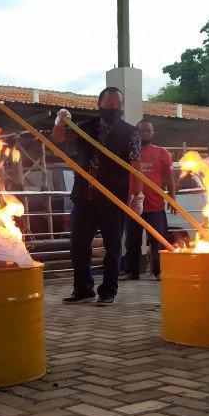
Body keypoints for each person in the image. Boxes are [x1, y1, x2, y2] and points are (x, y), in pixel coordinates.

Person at [52, 87, 143, 306]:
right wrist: (60, 120)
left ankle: (108, 291)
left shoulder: (130, 132)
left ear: (122, 107)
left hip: (113, 198)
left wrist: (136, 196)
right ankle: (83, 289)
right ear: (99, 105)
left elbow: (136, 167)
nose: (113, 107)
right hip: (83, 197)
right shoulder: (85, 127)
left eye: (117, 104)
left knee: (112, 247)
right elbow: (58, 138)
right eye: (108, 103)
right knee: (78, 245)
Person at [120, 121, 176, 281]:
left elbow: (169, 178)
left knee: (158, 241)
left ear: (153, 133)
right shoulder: (127, 153)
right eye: (141, 130)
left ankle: (159, 272)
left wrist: (172, 198)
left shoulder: (162, 153)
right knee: (132, 241)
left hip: (155, 206)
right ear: (135, 133)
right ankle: (132, 272)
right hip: (132, 206)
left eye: (148, 130)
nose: (145, 133)